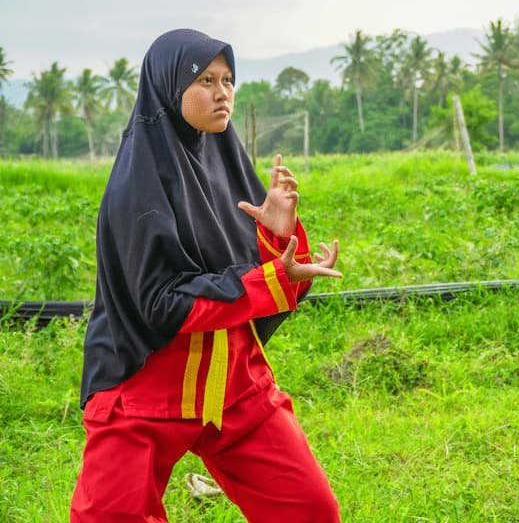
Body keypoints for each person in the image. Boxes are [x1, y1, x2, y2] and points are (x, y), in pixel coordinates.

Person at [71, 29, 343, 522]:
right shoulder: (135, 189)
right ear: (168, 89)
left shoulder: (227, 163)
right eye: (204, 80)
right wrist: (268, 282)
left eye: (228, 80)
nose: (222, 94)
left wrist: (279, 240)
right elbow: (161, 304)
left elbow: (262, 275)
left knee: (310, 510)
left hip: (234, 386)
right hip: (143, 394)